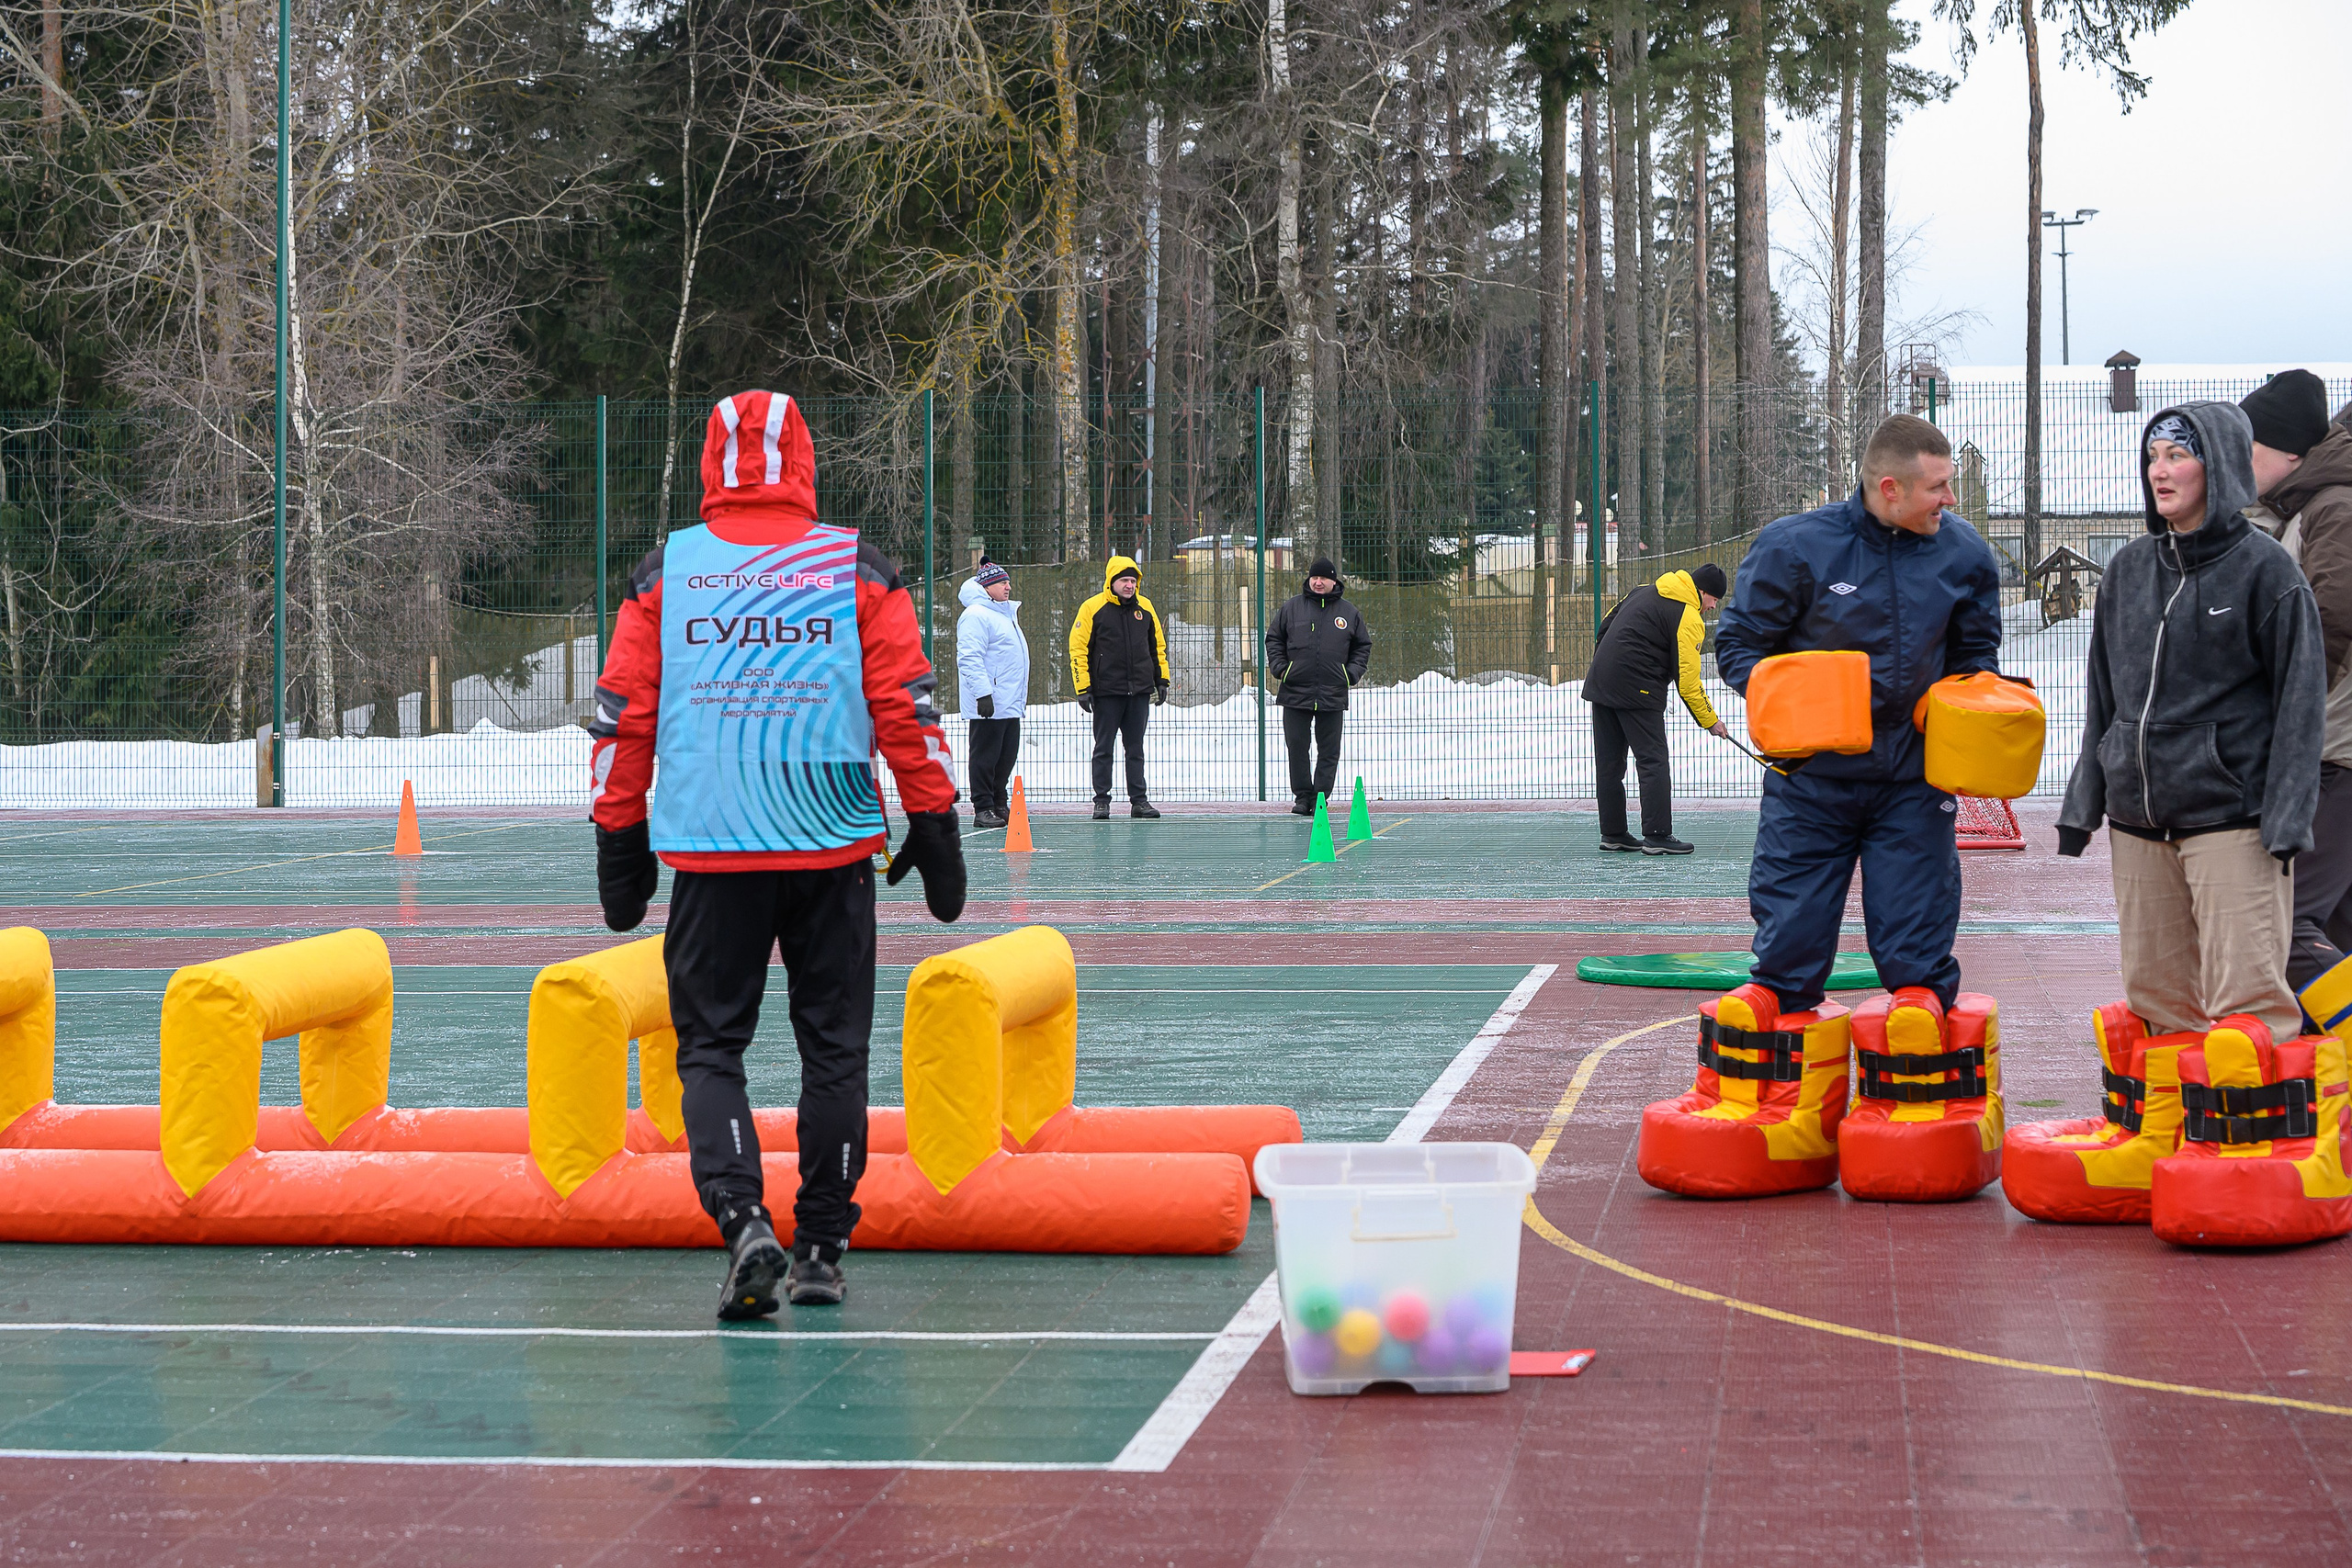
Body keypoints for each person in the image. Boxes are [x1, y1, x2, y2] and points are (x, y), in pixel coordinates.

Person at [587, 389, 966, 1319]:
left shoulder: (664, 573)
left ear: (710, 463)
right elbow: (906, 709)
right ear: (802, 460)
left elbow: (621, 716)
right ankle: (824, 1248)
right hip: (830, 843)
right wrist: (936, 820)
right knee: (833, 1051)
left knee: (710, 1048)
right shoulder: (855, 567)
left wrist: (619, 834)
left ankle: (742, 1219)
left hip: (711, 850)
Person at [1714, 413, 2003, 1016]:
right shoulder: (1795, 547)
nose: (1951, 498)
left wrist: (1970, 702)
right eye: (1938, 487)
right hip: (1811, 778)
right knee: (1788, 939)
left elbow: (1976, 657)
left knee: (1918, 937)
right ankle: (1780, 1043)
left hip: (1915, 781)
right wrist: (1797, 700)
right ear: (1890, 489)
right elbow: (1738, 646)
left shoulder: (1966, 553)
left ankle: (1920, 1036)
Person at [2057, 400, 2325, 1043]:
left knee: (2250, 1008)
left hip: (2234, 822)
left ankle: (2255, 1144)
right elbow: (2103, 699)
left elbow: (2301, 703)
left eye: (2178, 454)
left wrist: (2287, 820)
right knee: (2156, 1002)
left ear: (2222, 465)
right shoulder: (2124, 571)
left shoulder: (2268, 571)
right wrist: (2082, 807)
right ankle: (2172, 1141)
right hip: (2139, 824)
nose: (2160, 469)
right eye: (2153, 455)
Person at [2241, 375, 2352, 1006]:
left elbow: (2331, 616)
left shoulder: (2334, 506)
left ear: (2290, 454)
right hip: (2332, 743)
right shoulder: (2308, 507)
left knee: (2284, 924)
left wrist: (2287, 713)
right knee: (2336, 923)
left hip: (2334, 748)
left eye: (2251, 447)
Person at [1582, 562, 1731, 854]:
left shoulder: (1643, 591)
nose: (1713, 607)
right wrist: (1711, 720)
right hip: (1638, 688)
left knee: (1610, 765)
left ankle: (1613, 833)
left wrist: (1610, 666)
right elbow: (1688, 683)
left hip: (1602, 679)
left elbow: (1605, 628)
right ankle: (1658, 835)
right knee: (1653, 760)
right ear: (1702, 592)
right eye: (1714, 599)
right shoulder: (1688, 616)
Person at [1264, 556, 1372, 815]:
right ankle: (1302, 798)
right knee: (1297, 747)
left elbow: (1362, 647)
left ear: (1334, 581)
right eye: (1314, 577)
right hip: (1295, 693)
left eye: (1323, 578)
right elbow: (1274, 640)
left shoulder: (1349, 613)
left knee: (1329, 751)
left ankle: (1320, 798)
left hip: (1333, 693)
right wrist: (1282, 669)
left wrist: (1350, 675)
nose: (1318, 582)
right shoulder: (1291, 609)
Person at [1068, 555, 1170, 819]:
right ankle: (1101, 801)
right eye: (1124, 580)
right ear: (1111, 582)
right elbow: (1078, 649)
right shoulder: (1092, 608)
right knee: (1104, 748)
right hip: (1106, 692)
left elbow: (1157, 646)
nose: (1129, 585)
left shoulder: (1145, 608)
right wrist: (1083, 687)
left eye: (1133, 580)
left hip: (1139, 692)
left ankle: (1139, 801)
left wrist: (1162, 680)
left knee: (1135, 748)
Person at [956, 556, 1029, 830]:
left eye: (1008, 581)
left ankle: (999, 802)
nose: (1007, 587)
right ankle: (983, 807)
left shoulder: (1004, 614)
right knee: (985, 756)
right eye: (1001, 582)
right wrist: (983, 693)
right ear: (986, 587)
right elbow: (969, 657)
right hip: (989, 701)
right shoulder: (976, 615)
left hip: (1009, 701)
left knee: (1006, 755)